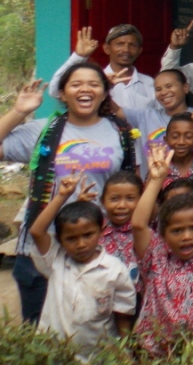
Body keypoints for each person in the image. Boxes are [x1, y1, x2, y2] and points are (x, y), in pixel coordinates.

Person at [0, 67, 136, 322]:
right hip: (43, 245)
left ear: (105, 92)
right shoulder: (45, 130)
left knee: (97, 327)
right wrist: (20, 111)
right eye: (76, 84)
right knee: (42, 330)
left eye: (93, 84)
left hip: (101, 243)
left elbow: (129, 182)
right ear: (62, 93)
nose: (85, 89)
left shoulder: (120, 132)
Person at [28, 173, 136, 360]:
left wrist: (125, 353)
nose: (81, 244)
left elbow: (122, 315)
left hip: (99, 358)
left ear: (101, 232)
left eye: (88, 235)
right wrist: (62, 196)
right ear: (59, 241)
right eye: (71, 238)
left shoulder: (114, 269)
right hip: (54, 356)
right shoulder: (56, 260)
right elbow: (37, 231)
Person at [132, 144, 193, 355]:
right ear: (163, 233)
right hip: (155, 355)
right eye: (177, 230)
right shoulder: (156, 257)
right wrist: (156, 180)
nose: (187, 236)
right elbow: (138, 224)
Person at [48, 25, 155, 108]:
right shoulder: (94, 80)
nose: (126, 49)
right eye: (120, 44)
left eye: (132, 45)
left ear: (139, 51)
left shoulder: (150, 83)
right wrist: (79, 56)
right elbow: (55, 91)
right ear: (107, 48)